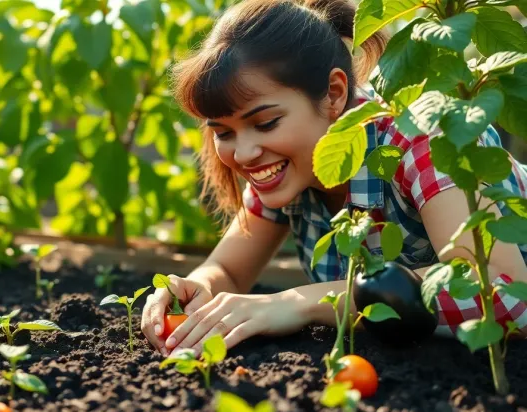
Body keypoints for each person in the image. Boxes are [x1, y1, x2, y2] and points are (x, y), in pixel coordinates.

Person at [141, 0, 527, 357]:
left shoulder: (421, 140)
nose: (242, 154)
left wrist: (299, 303)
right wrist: (195, 290)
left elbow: (505, 292)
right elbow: (227, 271)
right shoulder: (285, 169)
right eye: (224, 133)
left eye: (266, 123)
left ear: (335, 94)